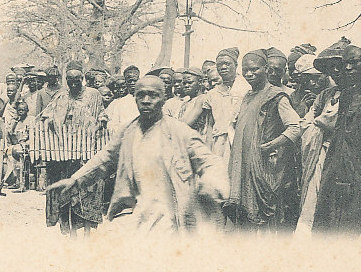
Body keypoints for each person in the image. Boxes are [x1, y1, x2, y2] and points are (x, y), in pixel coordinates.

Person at [47, 76, 228, 235]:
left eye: (153, 95)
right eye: (141, 95)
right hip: (134, 214)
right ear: (135, 98)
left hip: (171, 218)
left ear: (164, 99)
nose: (146, 100)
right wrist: (75, 180)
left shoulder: (179, 132)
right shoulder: (128, 131)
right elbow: (105, 159)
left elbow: (210, 162)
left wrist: (211, 184)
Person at [308, 33, 361, 235]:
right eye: (345, 63)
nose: (348, 68)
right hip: (336, 170)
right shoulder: (346, 95)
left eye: (354, 62)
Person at [225, 50, 302, 231]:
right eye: (246, 70)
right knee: (244, 218)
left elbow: (296, 127)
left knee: (265, 219)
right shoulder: (247, 96)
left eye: (254, 69)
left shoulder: (276, 96)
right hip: (243, 166)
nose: (249, 74)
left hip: (264, 167)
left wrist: (272, 145)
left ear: (266, 69)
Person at [40, 61, 105, 236]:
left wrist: (100, 123)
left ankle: (87, 232)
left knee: (88, 192)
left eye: (78, 78)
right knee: (67, 193)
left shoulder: (94, 94)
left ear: (83, 78)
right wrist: (50, 123)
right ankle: (72, 233)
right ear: (66, 79)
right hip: (64, 153)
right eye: (69, 79)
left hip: (87, 150)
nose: (74, 82)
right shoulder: (61, 96)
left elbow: (102, 114)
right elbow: (45, 115)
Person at [181, 47, 250, 166]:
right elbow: (210, 125)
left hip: (241, 143)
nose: (223, 67)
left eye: (227, 64)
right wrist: (208, 150)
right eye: (220, 65)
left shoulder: (246, 88)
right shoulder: (212, 94)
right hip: (219, 144)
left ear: (236, 65)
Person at [103, 65, 140, 134]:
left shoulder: (144, 99)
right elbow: (112, 124)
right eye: (129, 81)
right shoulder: (118, 103)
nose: (132, 83)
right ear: (125, 82)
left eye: (135, 80)